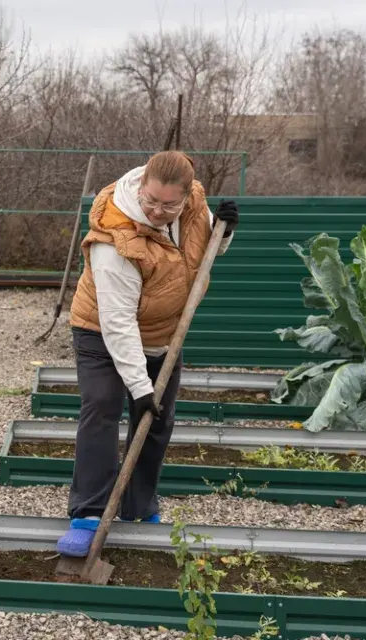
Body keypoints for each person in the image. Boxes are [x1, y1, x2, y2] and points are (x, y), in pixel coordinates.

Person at [57, 150, 239, 557]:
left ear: (186, 194)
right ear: (141, 186)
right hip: (102, 331)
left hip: (161, 334)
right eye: (150, 201)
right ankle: (89, 512)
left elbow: (202, 251)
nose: (158, 211)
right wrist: (139, 387)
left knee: (156, 420)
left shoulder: (192, 202)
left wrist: (222, 232)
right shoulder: (115, 239)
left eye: (169, 205)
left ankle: (138, 508)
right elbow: (118, 325)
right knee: (103, 407)